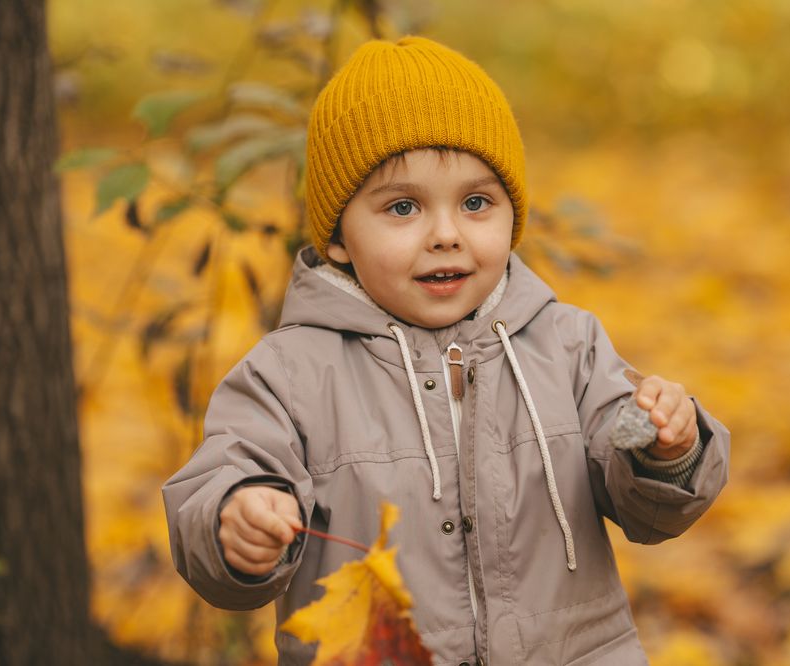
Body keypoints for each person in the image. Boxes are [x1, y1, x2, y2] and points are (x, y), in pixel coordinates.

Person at [163, 36, 730, 666]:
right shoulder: (291, 373)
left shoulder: (568, 345)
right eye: (403, 207)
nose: (445, 234)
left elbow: (649, 508)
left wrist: (668, 449)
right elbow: (224, 476)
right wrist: (237, 514)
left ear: (512, 216)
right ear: (339, 237)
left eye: (476, 203)